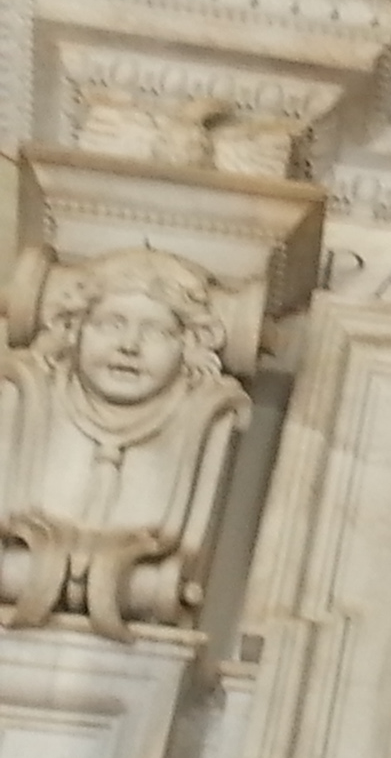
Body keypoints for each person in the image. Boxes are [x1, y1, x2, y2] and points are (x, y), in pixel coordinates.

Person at [0, 248, 249, 640]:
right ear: (73, 330)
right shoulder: (28, 395)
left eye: (155, 332)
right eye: (111, 324)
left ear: (190, 346)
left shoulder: (208, 413)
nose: (129, 345)